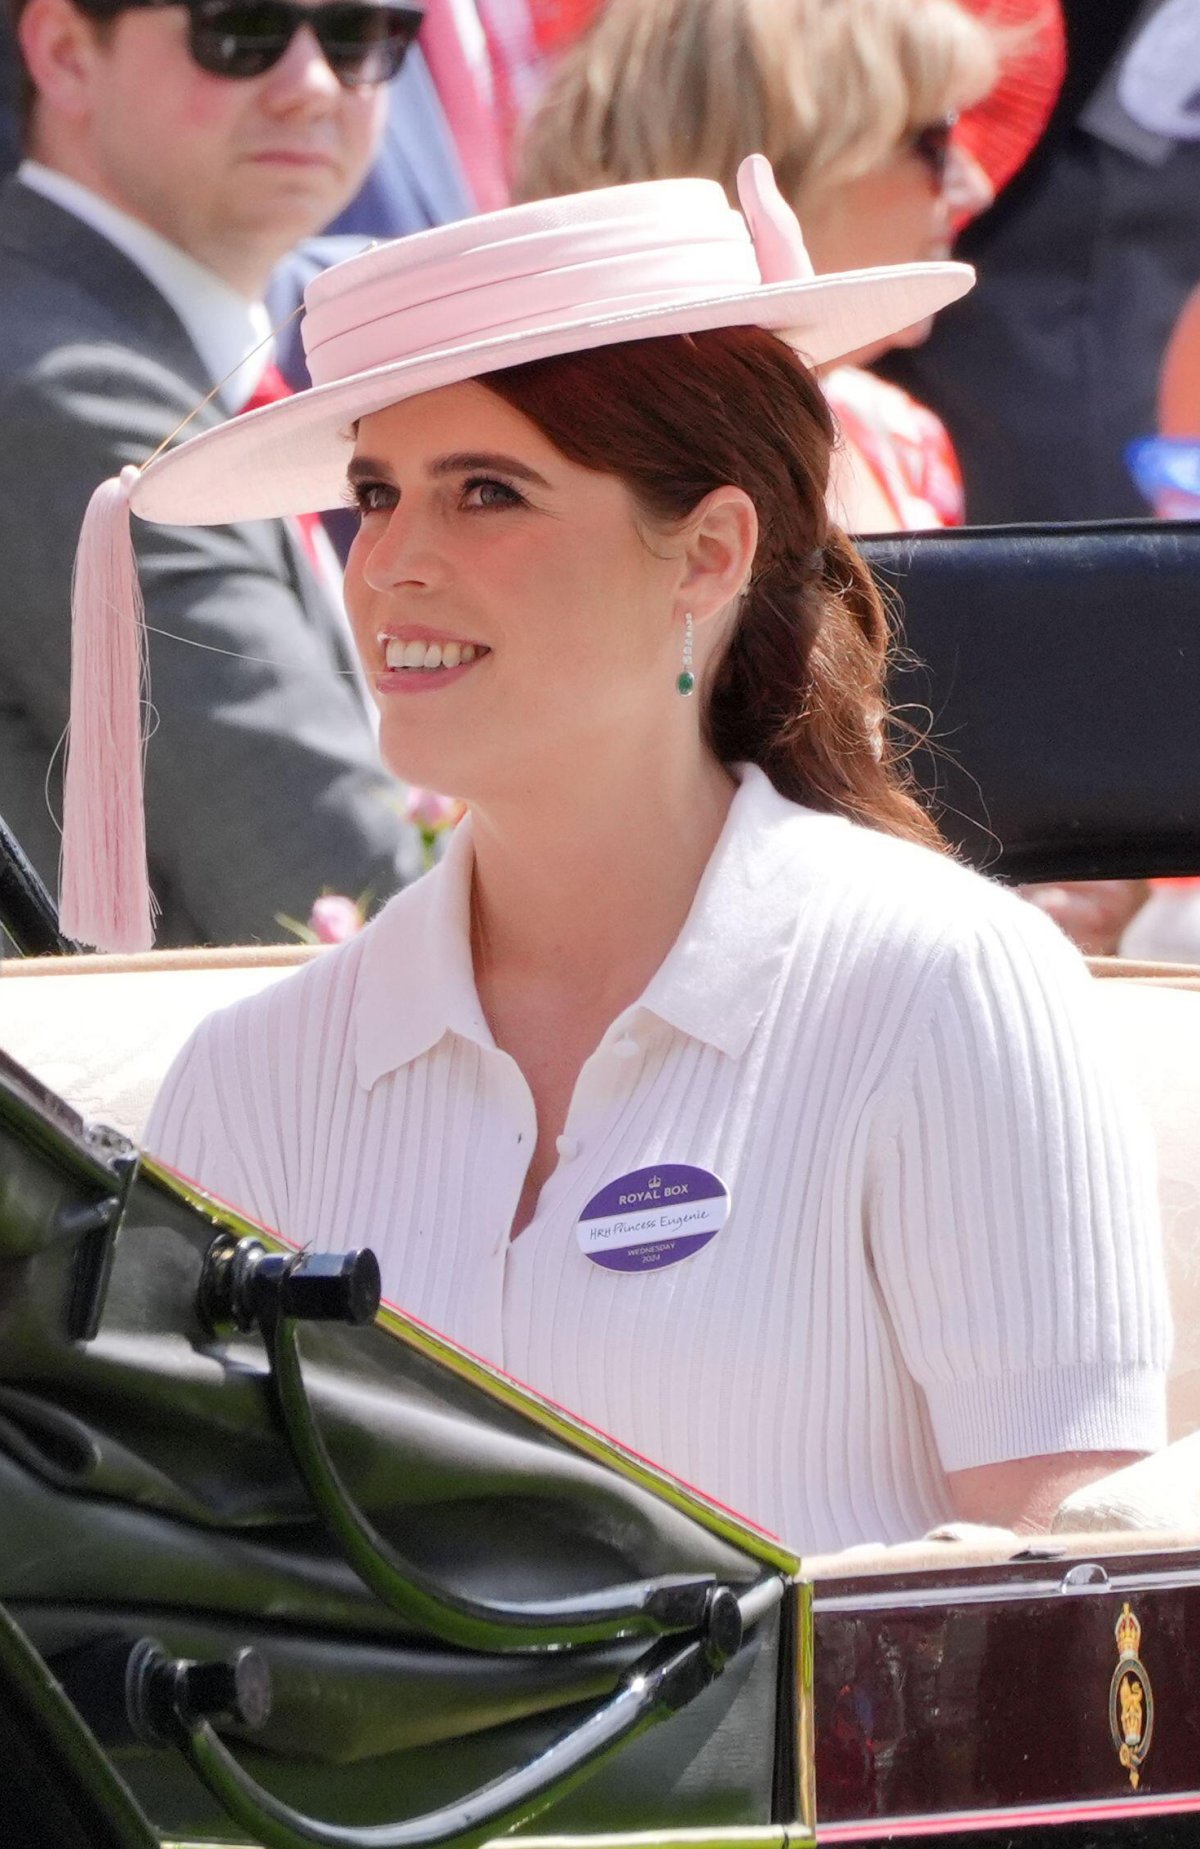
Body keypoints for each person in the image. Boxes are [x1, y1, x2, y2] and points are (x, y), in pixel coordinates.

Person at [89, 158, 1171, 1555]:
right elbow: (180, 1604)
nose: (391, 563)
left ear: (709, 551)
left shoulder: (949, 988)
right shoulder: (251, 1081)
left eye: (487, 491)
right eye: (375, 491)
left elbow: (1069, 1637)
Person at [0, 0, 428, 947]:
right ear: (67, 53)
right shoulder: (52, 385)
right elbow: (337, 893)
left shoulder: (275, 324)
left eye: (360, 36)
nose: (314, 83)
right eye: (242, 30)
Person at [511, 0, 997, 533]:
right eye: (936, 140)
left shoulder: (901, 441)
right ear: (780, 160)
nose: (974, 187)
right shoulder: (557, 464)